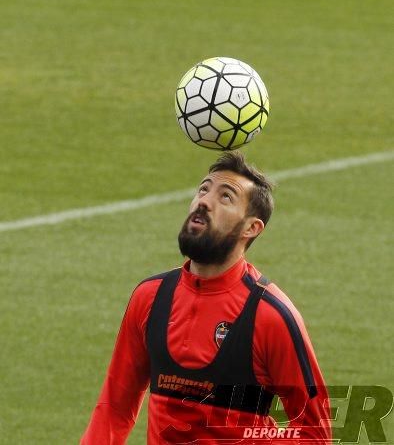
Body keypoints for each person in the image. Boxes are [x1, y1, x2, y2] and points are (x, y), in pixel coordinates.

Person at [81, 151, 331, 444]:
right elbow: (114, 408)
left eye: (225, 197)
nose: (204, 201)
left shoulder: (270, 316)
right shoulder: (150, 297)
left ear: (251, 228)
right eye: (203, 189)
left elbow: (315, 434)